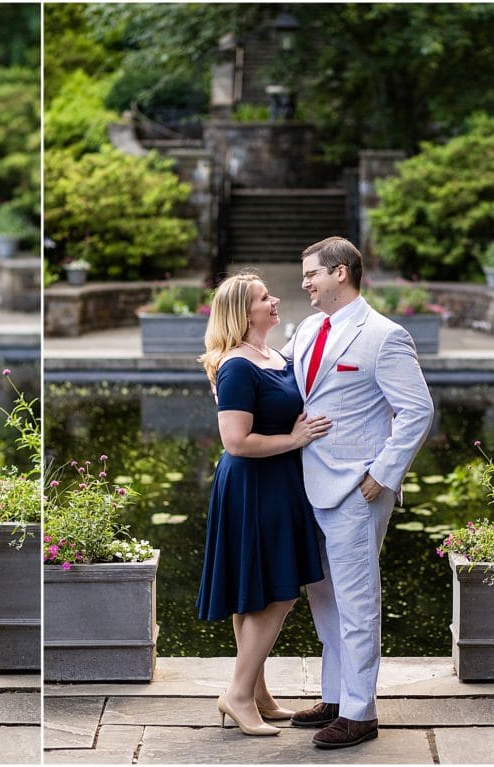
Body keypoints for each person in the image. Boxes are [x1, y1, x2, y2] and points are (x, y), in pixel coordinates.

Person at [282, 237, 433, 749]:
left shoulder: (385, 336)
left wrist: (383, 474)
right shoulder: (306, 329)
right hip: (307, 481)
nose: (304, 283)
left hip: (358, 489)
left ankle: (361, 712)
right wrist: (227, 366)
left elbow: (418, 410)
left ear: (341, 273)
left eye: (311, 274)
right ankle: (335, 696)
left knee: (357, 599)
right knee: (323, 596)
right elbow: (281, 377)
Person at [196, 272, 330, 737]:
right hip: (254, 482)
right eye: (262, 298)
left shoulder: (274, 354)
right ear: (242, 312)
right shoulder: (236, 365)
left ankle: (255, 692)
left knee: (254, 585)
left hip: (278, 479)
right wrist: (293, 438)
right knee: (278, 590)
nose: (274, 300)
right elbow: (235, 442)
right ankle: (236, 694)